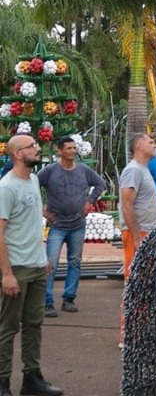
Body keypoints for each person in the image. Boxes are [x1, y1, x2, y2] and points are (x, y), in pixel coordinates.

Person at [0, 134, 63, 396]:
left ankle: (31, 377)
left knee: (34, 324)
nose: (38, 149)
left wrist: (42, 258)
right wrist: (6, 273)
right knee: (7, 326)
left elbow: (31, 224)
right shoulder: (6, 187)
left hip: (36, 265)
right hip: (16, 267)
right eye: (32, 147)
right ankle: (2, 382)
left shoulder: (34, 181)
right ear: (17, 154)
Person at [38, 135, 107, 316]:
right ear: (59, 151)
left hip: (77, 224)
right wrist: (42, 211)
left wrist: (89, 201)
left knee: (75, 262)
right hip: (57, 225)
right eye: (68, 148)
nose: (72, 151)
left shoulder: (84, 170)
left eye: (74, 148)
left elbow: (101, 183)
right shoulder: (50, 171)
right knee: (50, 263)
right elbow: (31, 185)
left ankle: (69, 298)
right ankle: (48, 302)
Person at [118, 134, 156, 344]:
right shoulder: (133, 170)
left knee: (145, 284)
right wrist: (136, 237)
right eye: (151, 142)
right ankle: (128, 334)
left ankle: (140, 331)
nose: (154, 145)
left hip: (147, 233)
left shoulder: (143, 170)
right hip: (139, 234)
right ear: (138, 146)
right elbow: (127, 204)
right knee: (136, 284)